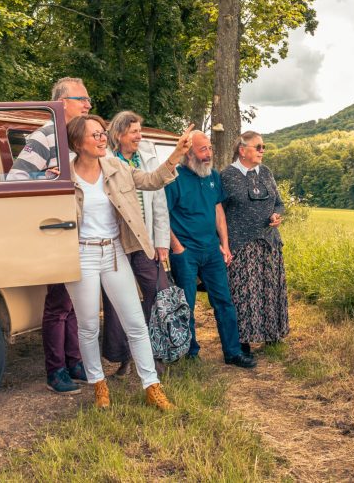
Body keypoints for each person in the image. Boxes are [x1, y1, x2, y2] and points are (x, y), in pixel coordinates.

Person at [65, 114, 193, 409]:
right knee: (87, 327)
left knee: (135, 323)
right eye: (95, 135)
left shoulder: (116, 167)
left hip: (114, 253)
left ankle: (152, 386)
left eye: (102, 134)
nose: (102, 139)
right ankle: (98, 385)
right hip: (81, 255)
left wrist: (176, 154)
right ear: (77, 143)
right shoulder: (64, 176)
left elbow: (151, 181)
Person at [7, 77, 93, 394]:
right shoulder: (44, 137)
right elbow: (14, 179)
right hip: (58, 232)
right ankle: (55, 370)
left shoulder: (79, 138)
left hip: (83, 232)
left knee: (73, 303)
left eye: (88, 100)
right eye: (82, 99)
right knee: (58, 303)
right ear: (61, 102)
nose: (87, 104)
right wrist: (45, 178)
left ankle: (74, 361)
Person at [164, 132, 257, 369]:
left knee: (224, 301)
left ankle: (233, 352)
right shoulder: (174, 178)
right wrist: (178, 248)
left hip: (211, 249)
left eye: (210, 148)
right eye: (202, 150)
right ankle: (190, 353)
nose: (208, 154)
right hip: (186, 251)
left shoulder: (213, 176)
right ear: (189, 153)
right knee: (187, 303)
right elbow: (162, 217)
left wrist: (224, 244)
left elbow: (218, 212)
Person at [99, 111, 172, 377]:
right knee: (118, 299)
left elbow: (160, 205)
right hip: (117, 240)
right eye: (134, 132)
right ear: (118, 135)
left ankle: (158, 351)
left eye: (140, 131)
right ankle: (123, 358)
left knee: (158, 291)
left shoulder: (147, 158)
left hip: (145, 240)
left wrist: (162, 242)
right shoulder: (104, 161)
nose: (139, 136)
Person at [221, 131, 288, 355]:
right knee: (244, 294)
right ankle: (242, 341)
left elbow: (279, 203)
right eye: (258, 147)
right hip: (240, 244)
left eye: (263, 147)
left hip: (269, 243)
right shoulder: (227, 176)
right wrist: (223, 243)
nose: (262, 151)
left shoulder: (266, 172)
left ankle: (272, 334)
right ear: (242, 150)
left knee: (270, 289)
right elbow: (218, 211)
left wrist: (276, 216)